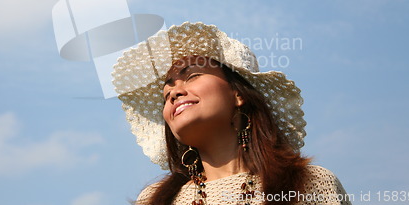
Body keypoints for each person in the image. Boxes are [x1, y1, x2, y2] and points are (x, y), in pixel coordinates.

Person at [112, 22, 351, 205]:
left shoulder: (309, 184)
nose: (174, 93)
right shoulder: (155, 200)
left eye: (192, 76)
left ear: (238, 94)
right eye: (166, 93)